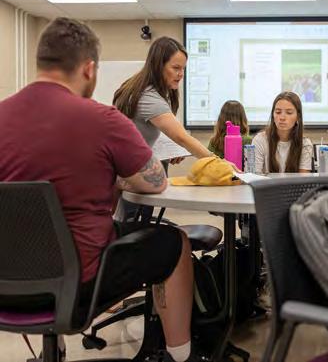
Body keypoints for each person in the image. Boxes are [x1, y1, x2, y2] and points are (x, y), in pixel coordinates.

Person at [0, 18, 194, 362]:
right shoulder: (103, 119)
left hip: (6, 282)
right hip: (78, 285)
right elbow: (156, 182)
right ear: (89, 69)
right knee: (175, 242)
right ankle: (181, 356)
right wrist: (117, 176)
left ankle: (54, 349)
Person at [113, 36, 215, 220]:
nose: (181, 74)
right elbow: (182, 137)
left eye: (183, 68)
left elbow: (139, 132)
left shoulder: (138, 88)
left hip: (125, 171)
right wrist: (216, 162)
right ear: (158, 66)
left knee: (132, 223)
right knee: (133, 225)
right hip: (128, 174)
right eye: (176, 68)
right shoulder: (148, 96)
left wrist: (171, 151)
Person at [252, 91, 313, 174]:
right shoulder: (260, 140)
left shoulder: (305, 144)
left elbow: (303, 179)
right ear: (273, 115)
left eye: (289, 113)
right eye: (278, 112)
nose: (282, 117)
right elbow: (254, 176)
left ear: (298, 117)